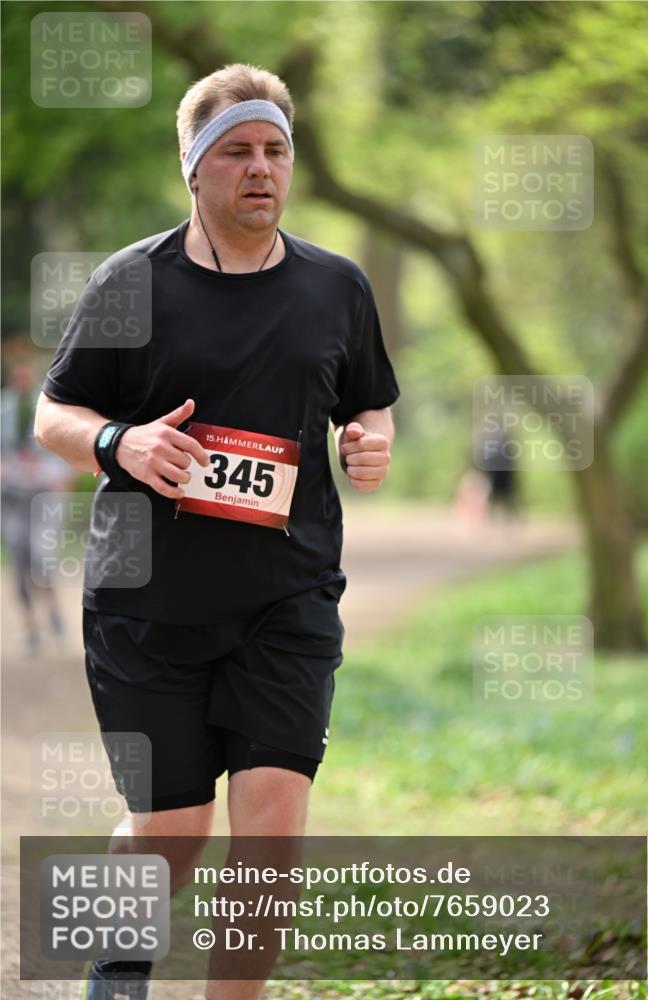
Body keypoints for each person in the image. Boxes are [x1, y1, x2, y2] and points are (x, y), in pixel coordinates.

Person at [34, 63, 400, 999]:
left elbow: (370, 409)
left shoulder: (336, 287)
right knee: (173, 831)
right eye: (235, 150)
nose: (260, 168)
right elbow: (55, 414)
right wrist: (122, 441)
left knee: (271, 837)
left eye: (275, 149)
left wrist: (368, 446)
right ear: (193, 168)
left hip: (288, 597)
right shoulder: (131, 280)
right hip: (146, 604)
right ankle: (116, 970)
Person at [1, 354, 73, 652]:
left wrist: (60, 480)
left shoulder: (47, 407)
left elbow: (64, 446)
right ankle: (31, 627)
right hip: (12, 496)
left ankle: (53, 611)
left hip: (42, 494)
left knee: (42, 558)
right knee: (19, 562)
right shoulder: (4, 408)